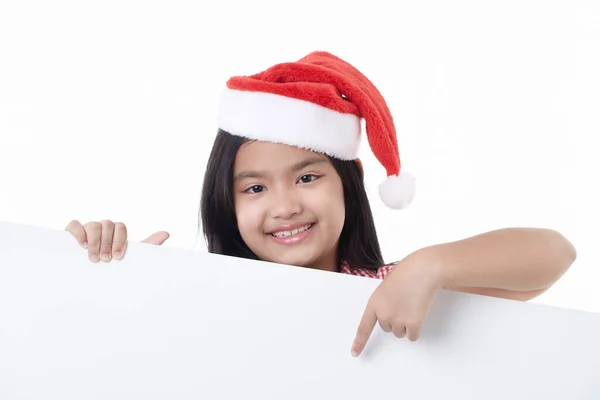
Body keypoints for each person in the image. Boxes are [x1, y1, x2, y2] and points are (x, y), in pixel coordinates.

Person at [65, 51, 577, 358]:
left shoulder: (390, 295)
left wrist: (431, 266)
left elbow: (553, 255)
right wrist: (108, 272)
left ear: (347, 184)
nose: (285, 205)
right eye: (255, 188)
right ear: (226, 201)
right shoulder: (193, 291)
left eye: (307, 177)